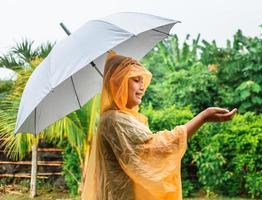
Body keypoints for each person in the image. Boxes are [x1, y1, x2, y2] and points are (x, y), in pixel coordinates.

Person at [81, 51, 236, 200]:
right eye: (136, 80)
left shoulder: (119, 118)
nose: (142, 87)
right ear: (118, 82)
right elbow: (156, 150)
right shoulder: (115, 120)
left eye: (142, 81)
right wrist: (203, 117)